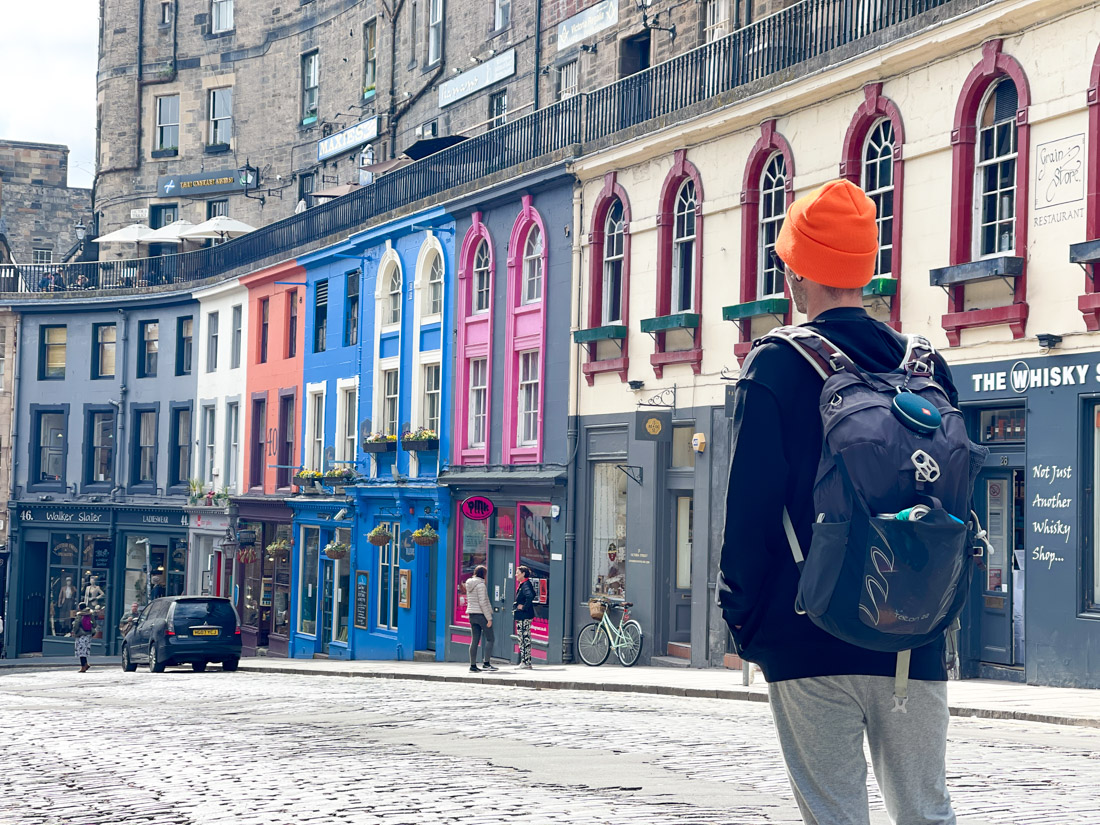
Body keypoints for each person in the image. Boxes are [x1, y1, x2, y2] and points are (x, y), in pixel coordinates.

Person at [718, 179, 958, 825]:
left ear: (796, 272)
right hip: (916, 634)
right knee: (927, 812)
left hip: (808, 630)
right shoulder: (928, 369)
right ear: (866, 269)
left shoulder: (774, 366)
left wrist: (743, 620)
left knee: (834, 817)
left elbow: (749, 516)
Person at [464, 565, 498, 673]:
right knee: (490, 638)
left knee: (474, 640)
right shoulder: (481, 585)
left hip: (472, 614)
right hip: (481, 615)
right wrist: (489, 618)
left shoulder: (469, 584)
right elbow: (483, 602)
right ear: (483, 574)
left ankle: (472, 666)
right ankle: (486, 664)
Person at [512, 565, 536, 670]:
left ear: (523, 574)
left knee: (523, 638)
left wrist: (523, 607)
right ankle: (525, 661)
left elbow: (530, 595)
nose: (516, 574)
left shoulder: (525, 584)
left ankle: (526, 662)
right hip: (524, 615)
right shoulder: (524, 584)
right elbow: (533, 594)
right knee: (523, 638)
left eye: (517, 572)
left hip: (524, 616)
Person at [72, 602, 96, 673]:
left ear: (80, 608)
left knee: (81, 651)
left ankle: (83, 667)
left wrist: (75, 632)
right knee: (84, 650)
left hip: (81, 634)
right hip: (88, 634)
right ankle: (85, 664)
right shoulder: (90, 614)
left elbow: (76, 625)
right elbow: (94, 624)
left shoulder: (79, 615)